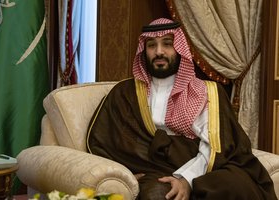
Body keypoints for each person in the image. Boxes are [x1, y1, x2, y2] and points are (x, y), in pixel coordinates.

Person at [87, 18, 277, 200]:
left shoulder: (205, 92)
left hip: (201, 167)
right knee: (158, 194)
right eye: (152, 45)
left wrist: (185, 179)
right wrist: (124, 174)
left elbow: (213, 145)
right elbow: (103, 140)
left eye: (167, 44)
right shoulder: (125, 92)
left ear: (179, 48)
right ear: (143, 50)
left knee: (235, 186)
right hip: (152, 168)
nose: (159, 52)